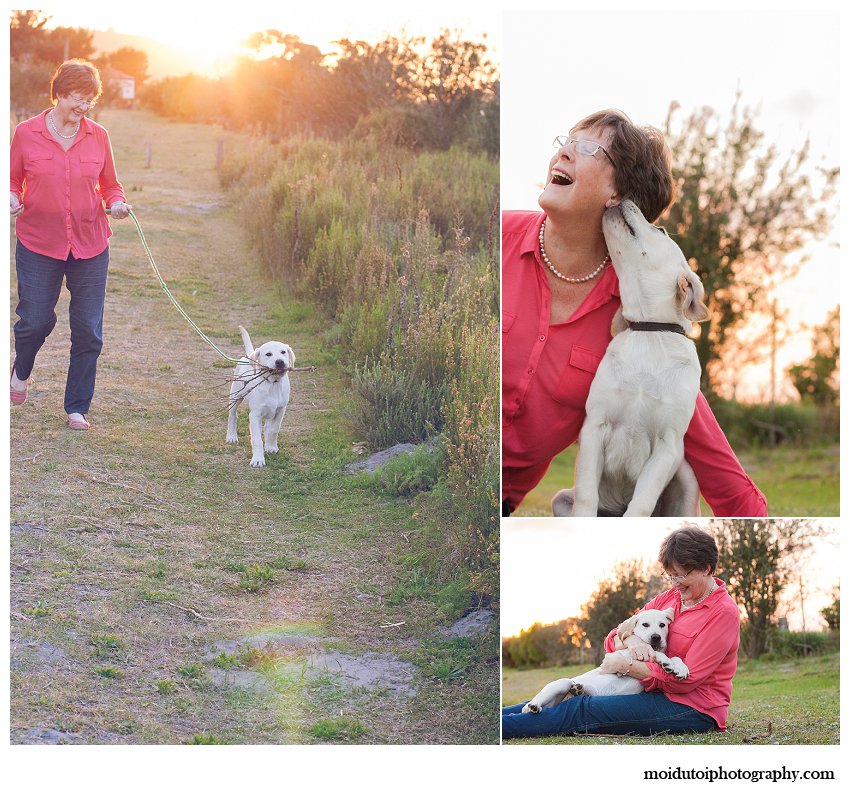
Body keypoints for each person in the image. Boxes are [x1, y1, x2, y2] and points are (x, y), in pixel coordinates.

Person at [502, 109, 767, 516]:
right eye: (567, 141)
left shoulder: (638, 319)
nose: (566, 152)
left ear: (618, 197)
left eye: (588, 147)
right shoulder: (495, 237)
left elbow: (708, 456)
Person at [502, 525, 740, 739]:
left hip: (694, 707)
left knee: (582, 709)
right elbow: (616, 636)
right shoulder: (669, 598)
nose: (675, 582)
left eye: (681, 575)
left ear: (706, 568)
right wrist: (634, 641)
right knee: (551, 699)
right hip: (651, 691)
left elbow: (685, 682)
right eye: (669, 575)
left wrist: (624, 665)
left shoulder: (722, 613)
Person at [10, 59, 132, 430]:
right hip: (38, 243)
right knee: (33, 320)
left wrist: (116, 202)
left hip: (90, 245)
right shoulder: (27, 133)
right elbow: (12, 179)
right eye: (79, 98)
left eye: (89, 100)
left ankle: (76, 407)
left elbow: (111, 183)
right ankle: (21, 369)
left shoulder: (99, 136)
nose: (84, 107)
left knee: (88, 330)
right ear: (60, 94)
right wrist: (11, 197)